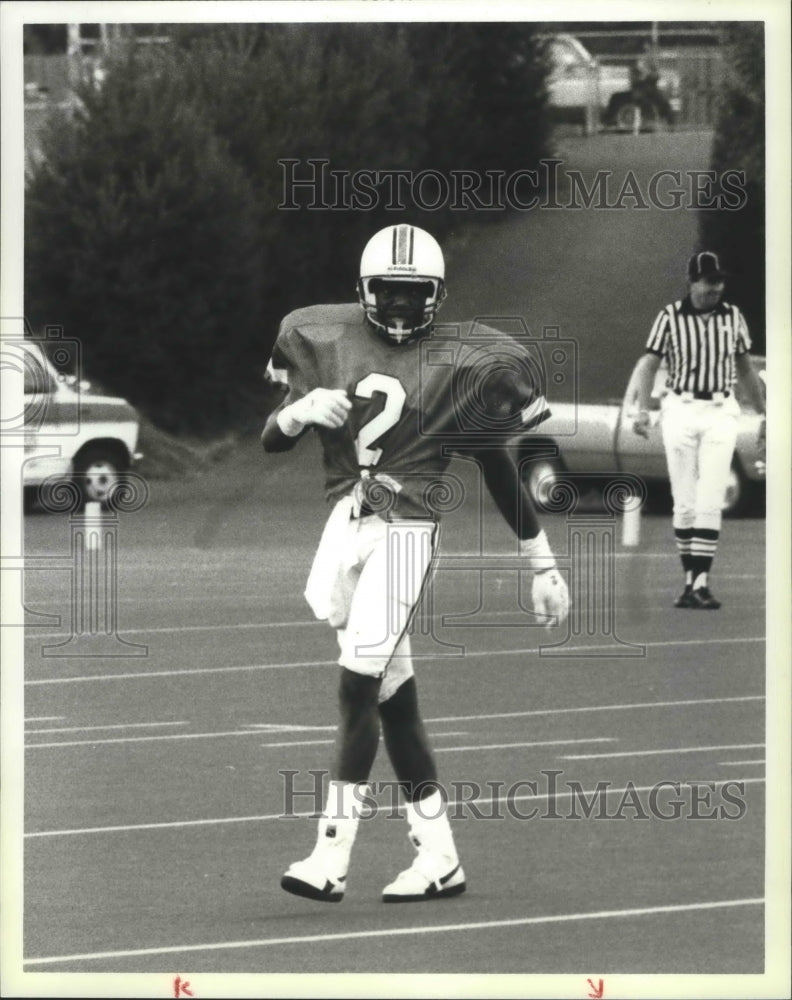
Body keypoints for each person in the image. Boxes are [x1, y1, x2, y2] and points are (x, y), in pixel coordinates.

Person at [261, 224, 570, 903]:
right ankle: (440, 859)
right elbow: (270, 441)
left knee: (356, 684)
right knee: (395, 705)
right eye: (388, 294)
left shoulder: (468, 361)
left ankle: (329, 855)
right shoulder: (323, 338)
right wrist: (299, 412)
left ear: (438, 296)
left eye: (414, 295)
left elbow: (494, 466)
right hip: (348, 530)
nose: (400, 309)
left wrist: (541, 562)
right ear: (363, 292)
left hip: (408, 533)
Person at [630, 250, 766, 610]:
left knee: (711, 496)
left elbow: (746, 367)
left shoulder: (733, 317)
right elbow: (648, 364)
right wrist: (643, 409)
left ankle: (700, 582)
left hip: (721, 409)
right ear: (692, 282)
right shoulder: (669, 317)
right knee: (685, 499)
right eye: (708, 281)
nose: (715, 288)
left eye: (719, 281)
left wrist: (765, 411)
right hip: (681, 407)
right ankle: (690, 581)